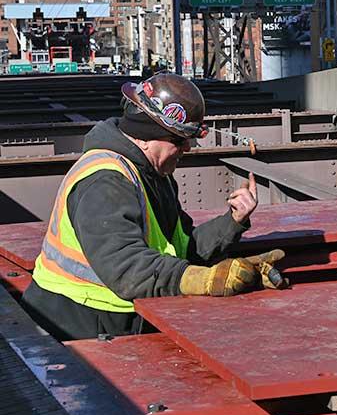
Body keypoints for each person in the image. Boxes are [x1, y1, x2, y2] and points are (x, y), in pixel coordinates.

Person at [22, 73, 285, 340]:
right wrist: (203, 280)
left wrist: (233, 222)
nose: (187, 148)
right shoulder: (105, 181)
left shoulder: (153, 176)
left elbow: (181, 248)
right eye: (179, 140)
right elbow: (127, 269)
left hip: (109, 323)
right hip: (72, 328)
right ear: (146, 135)